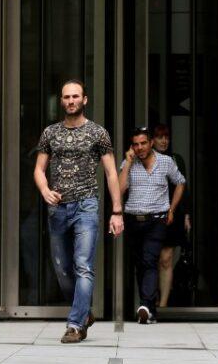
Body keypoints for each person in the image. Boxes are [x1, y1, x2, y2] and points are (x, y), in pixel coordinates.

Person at [33, 79, 125, 344]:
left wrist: (117, 212)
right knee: (62, 269)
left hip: (86, 205)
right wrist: (44, 190)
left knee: (83, 266)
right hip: (57, 208)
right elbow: (39, 169)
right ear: (61, 101)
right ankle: (84, 312)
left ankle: (75, 325)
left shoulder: (98, 133)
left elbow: (110, 173)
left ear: (84, 100)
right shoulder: (51, 133)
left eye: (75, 96)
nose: (71, 101)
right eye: (66, 97)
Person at [119, 126, 186, 324]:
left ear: (150, 143)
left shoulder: (165, 162)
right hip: (133, 220)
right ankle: (149, 310)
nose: (139, 148)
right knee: (140, 264)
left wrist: (172, 209)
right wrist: (129, 163)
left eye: (143, 143)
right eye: (135, 144)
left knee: (150, 260)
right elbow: (120, 189)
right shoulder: (128, 163)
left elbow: (180, 182)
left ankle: (146, 305)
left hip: (157, 220)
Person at [151, 123, 189, 308]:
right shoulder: (146, 160)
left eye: (166, 137)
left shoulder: (176, 159)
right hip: (151, 214)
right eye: (160, 137)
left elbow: (184, 188)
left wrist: (186, 215)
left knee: (166, 259)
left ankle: (163, 304)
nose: (164, 140)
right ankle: (151, 297)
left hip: (172, 215)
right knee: (152, 258)